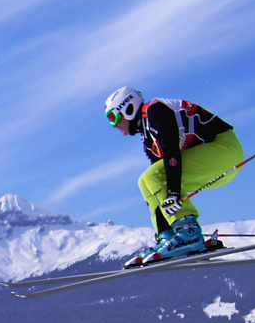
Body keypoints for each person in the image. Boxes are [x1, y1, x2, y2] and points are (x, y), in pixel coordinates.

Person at [103, 87, 244, 267]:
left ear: (127, 109)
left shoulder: (155, 111)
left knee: (154, 176)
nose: (114, 125)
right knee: (146, 181)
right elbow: (158, 180)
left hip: (224, 150)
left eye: (114, 118)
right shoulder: (147, 137)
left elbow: (171, 150)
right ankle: (169, 236)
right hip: (214, 163)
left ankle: (189, 233)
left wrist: (174, 193)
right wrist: (165, 223)